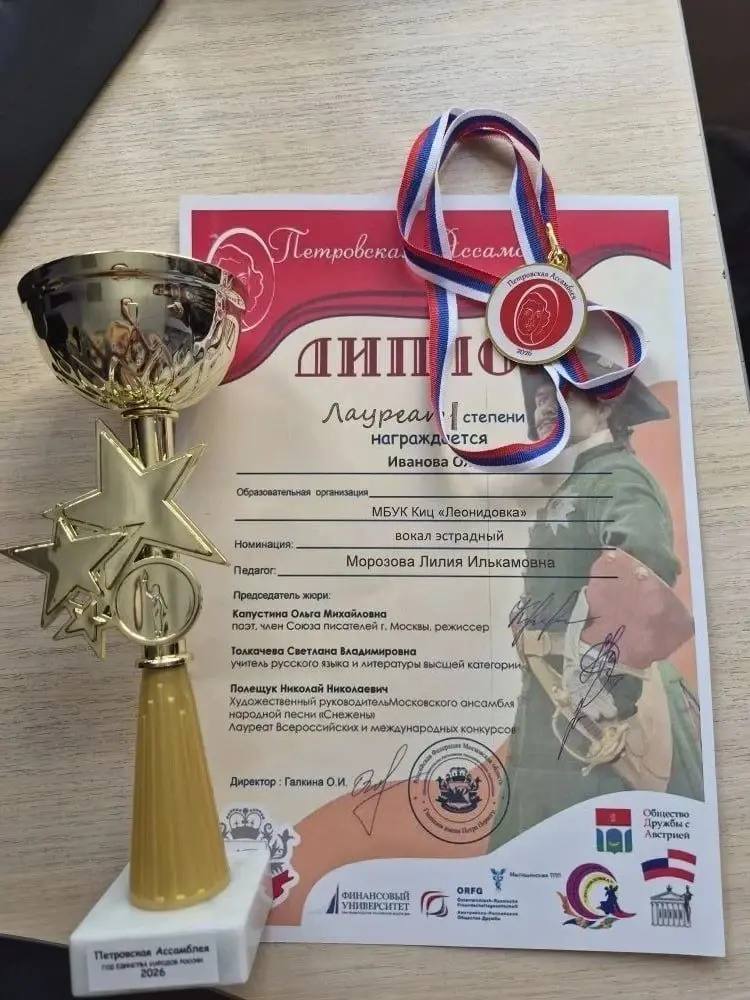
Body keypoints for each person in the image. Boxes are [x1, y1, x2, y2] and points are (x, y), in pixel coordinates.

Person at [491, 351, 703, 849]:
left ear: (606, 406)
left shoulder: (617, 474)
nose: (544, 404)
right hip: (553, 694)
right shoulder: (584, 477)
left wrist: (607, 676)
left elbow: (644, 566)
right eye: (538, 396)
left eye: (561, 392)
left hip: (599, 702)